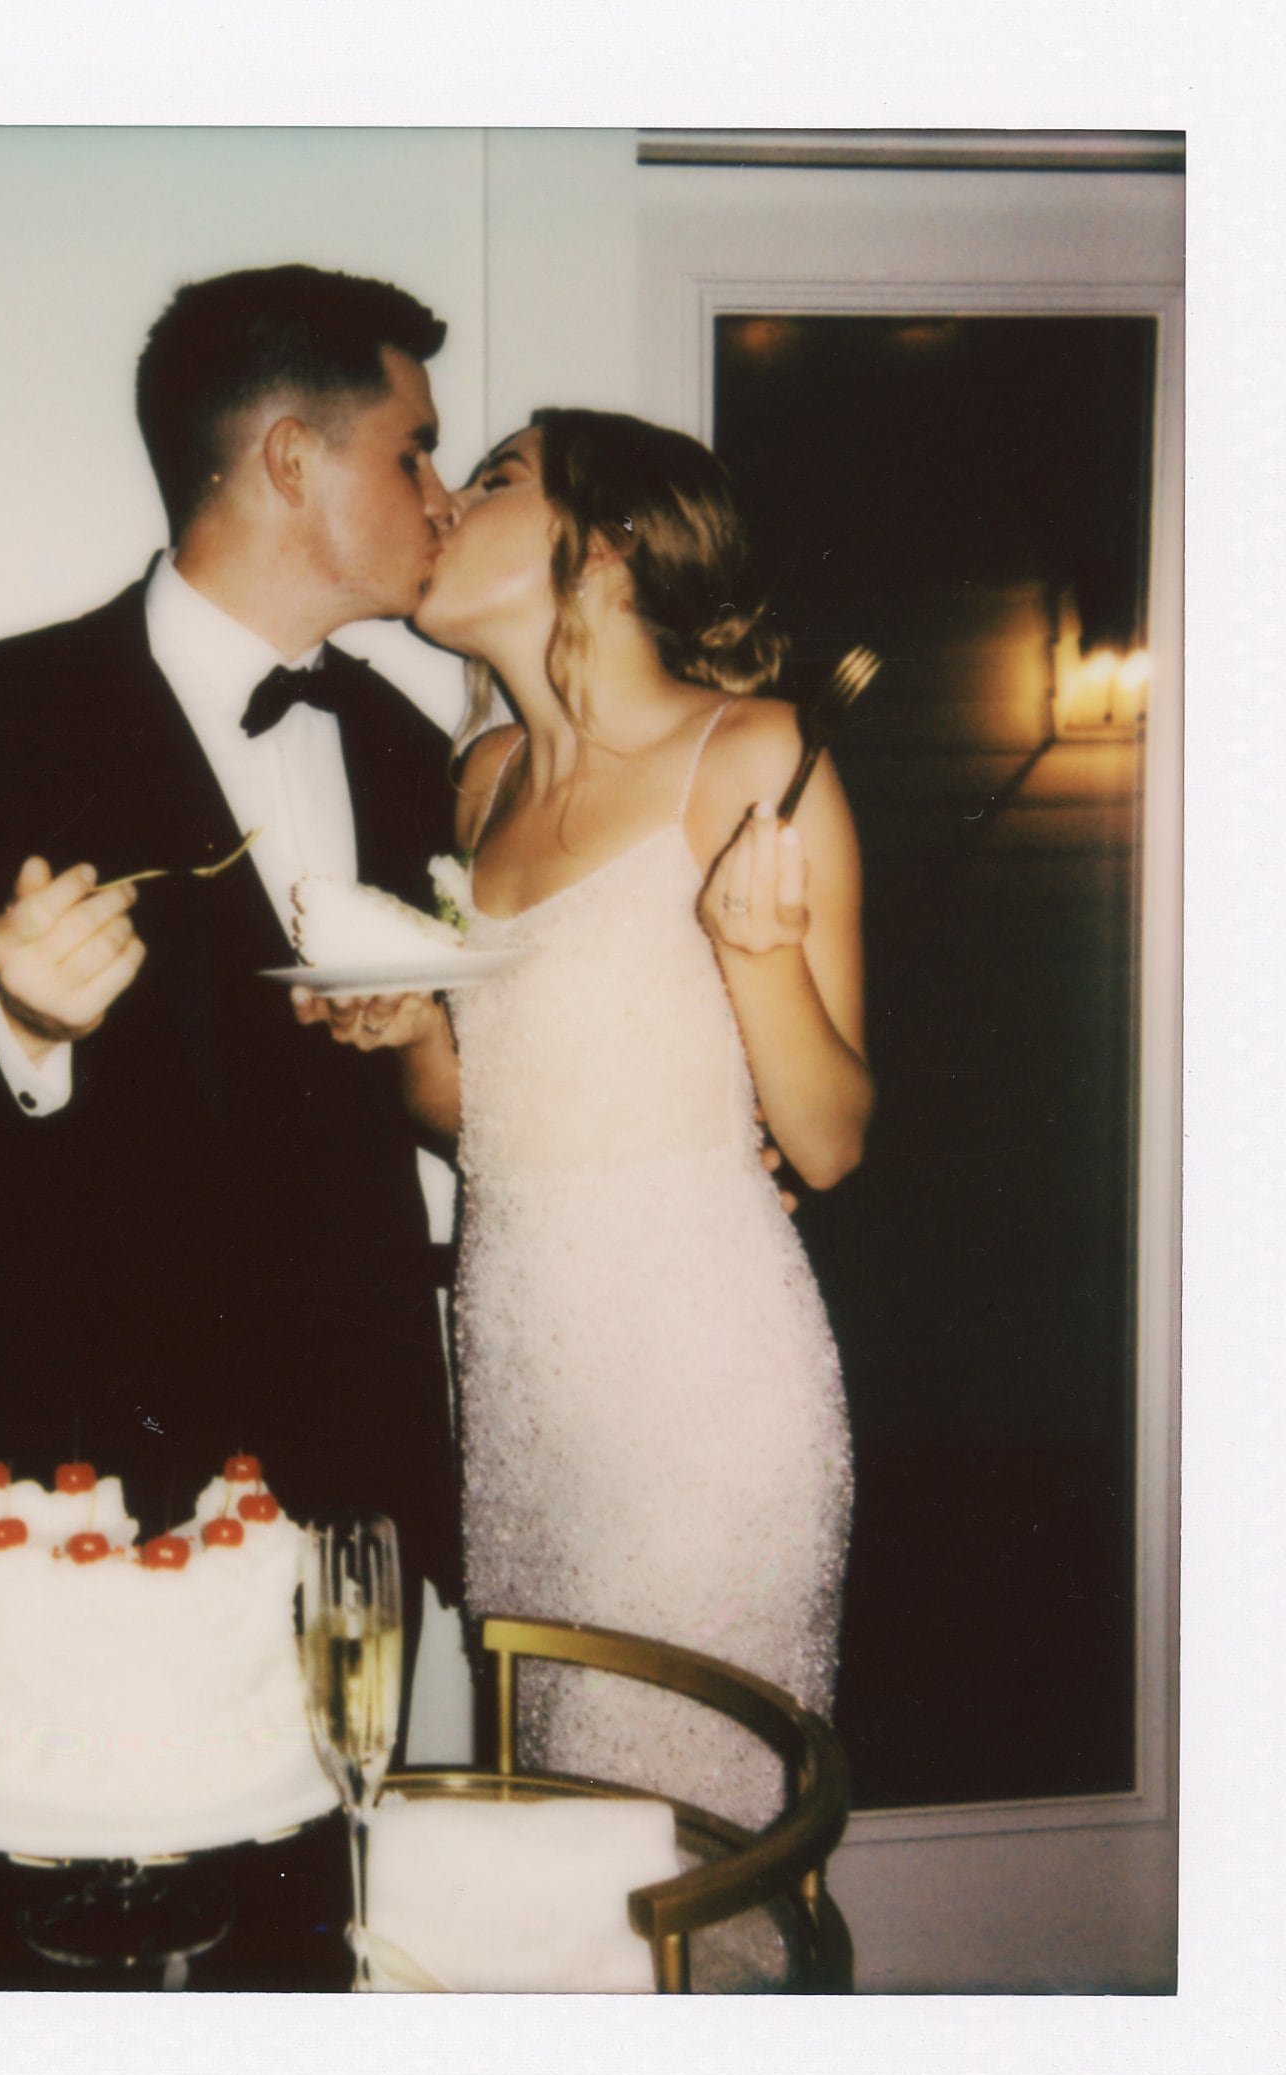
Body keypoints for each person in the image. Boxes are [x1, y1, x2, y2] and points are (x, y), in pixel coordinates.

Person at [0, 265, 464, 1978]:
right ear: (293, 459)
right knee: (51, 2005)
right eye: (415, 450)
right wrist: (14, 1020)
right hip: (60, 1494)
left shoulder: (406, 750)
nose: (441, 494)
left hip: (328, 1491)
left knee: (311, 1971)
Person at [308, 410, 870, 1830]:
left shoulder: (753, 751)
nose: (448, 500)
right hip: (520, 1393)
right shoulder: (481, 781)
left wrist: (756, 954)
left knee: (678, 1852)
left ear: (607, 544)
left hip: (701, 1397)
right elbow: (473, 1117)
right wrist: (412, 1027)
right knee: (568, 1844)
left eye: (495, 477)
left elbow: (828, 1138)